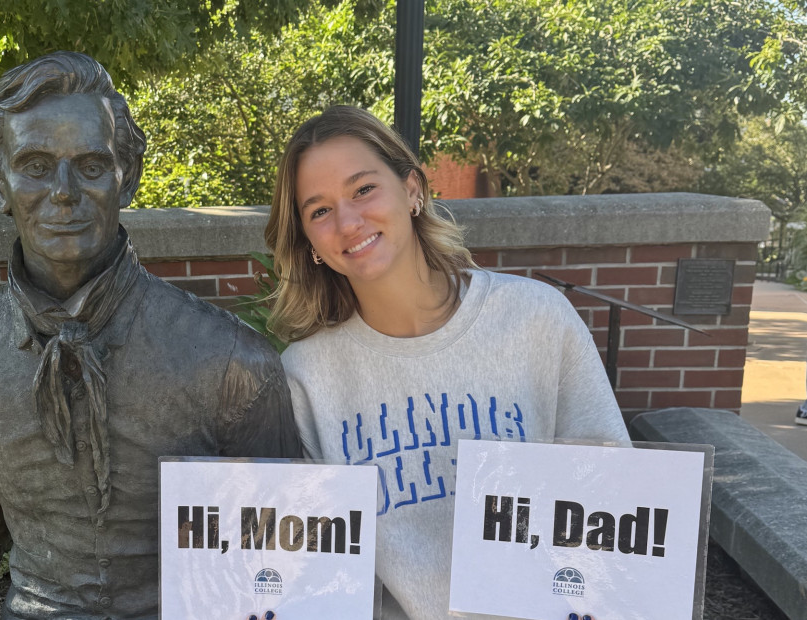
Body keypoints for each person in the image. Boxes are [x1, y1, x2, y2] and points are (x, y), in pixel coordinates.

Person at [0, 52, 301, 620]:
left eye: (90, 165)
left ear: (126, 176)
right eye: (35, 166)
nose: (63, 192)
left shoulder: (231, 360)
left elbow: (285, 548)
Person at [263, 106, 630, 619]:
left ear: (412, 190)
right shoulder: (306, 374)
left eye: (364, 189)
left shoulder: (535, 318)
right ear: (309, 241)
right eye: (319, 210)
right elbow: (313, 566)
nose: (348, 221)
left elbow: (615, 503)